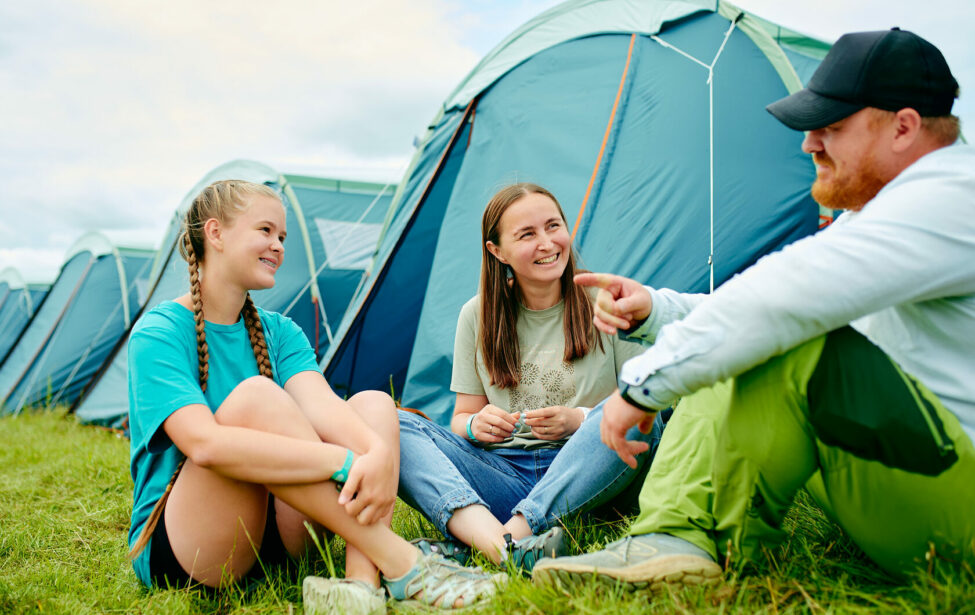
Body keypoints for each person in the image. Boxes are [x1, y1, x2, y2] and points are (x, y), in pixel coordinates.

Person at [532, 28, 975, 591]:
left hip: (960, 514)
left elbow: (783, 299)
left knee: (776, 332)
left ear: (904, 126)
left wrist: (639, 387)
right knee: (746, 332)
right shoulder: (890, 211)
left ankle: (682, 537)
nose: (809, 144)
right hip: (928, 480)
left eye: (831, 127)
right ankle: (674, 539)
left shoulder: (953, 195)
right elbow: (763, 304)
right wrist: (656, 313)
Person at [126, 180, 501, 613]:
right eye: (265, 231)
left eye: (282, 237)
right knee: (257, 398)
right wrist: (346, 463)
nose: (278, 246)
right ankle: (404, 562)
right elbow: (204, 445)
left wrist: (376, 452)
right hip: (196, 546)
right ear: (215, 233)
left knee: (373, 406)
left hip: (284, 533)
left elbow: (322, 406)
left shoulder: (280, 332)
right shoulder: (160, 332)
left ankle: (360, 587)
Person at [397, 183, 666, 572]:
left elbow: (647, 398)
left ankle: (502, 539)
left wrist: (581, 420)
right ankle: (509, 541)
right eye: (527, 234)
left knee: (638, 408)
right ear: (497, 251)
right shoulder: (477, 315)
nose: (547, 243)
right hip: (504, 473)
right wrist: (475, 425)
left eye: (553, 226)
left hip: (589, 475)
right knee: (393, 423)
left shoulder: (606, 300)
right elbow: (460, 418)